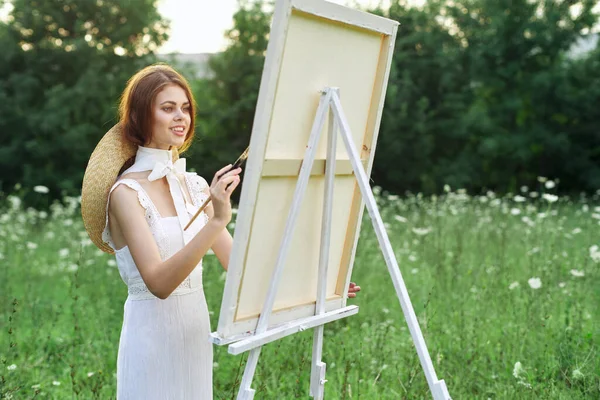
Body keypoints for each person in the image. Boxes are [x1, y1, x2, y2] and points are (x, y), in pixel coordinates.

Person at [81, 64, 360, 399]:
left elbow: (240, 267)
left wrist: (320, 285)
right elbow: (159, 283)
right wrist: (216, 221)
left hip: (195, 334)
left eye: (185, 108)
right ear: (142, 116)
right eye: (167, 108)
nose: (180, 117)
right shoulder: (125, 194)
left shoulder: (197, 186)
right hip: (150, 340)